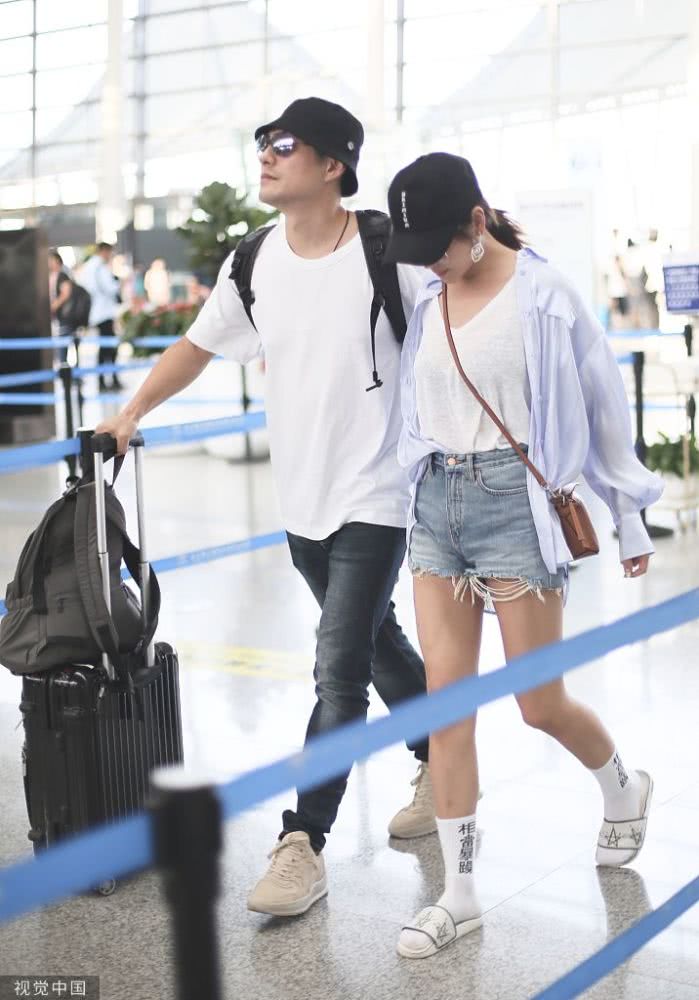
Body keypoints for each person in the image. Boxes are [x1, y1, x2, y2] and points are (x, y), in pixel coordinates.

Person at [95, 97, 436, 917]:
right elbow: (196, 346)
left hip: (377, 493)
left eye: (284, 144)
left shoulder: (385, 251)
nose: (266, 155)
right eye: (262, 142)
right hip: (302, 498)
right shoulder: (253, 259)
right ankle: (444, 758)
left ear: (333, 164)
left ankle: (302, 842)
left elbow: (454, 318)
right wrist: (131, 412)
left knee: (337, 668)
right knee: (375, 643)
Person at [381, 152, 664, 959]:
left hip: (516, 504)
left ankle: (621, 785)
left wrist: (629, 517)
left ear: (477, 221)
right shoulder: (430, 298)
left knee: (537, 703)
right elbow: (415, 404)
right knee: (447, 707)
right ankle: (460, 894)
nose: (429, 264)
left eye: (438, 245)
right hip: (437, 503)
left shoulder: (545, 297)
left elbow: (602, 409)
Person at [81, 242, 123, 392]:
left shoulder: (89, 266)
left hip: (98, 312)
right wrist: (118, 283)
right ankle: (108, 380)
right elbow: (110, 288)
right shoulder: (99, 267)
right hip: (104, 312)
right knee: (109, 348)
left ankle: (105, 380)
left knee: (105, 347)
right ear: (104, 251)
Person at [47, 250, 73, 364]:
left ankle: (64, 369)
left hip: (63, 316)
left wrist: (54, 306)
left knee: (63, 347)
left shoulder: (62, 275)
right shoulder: (50, 276)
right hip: (55, 318)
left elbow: (65, 293)